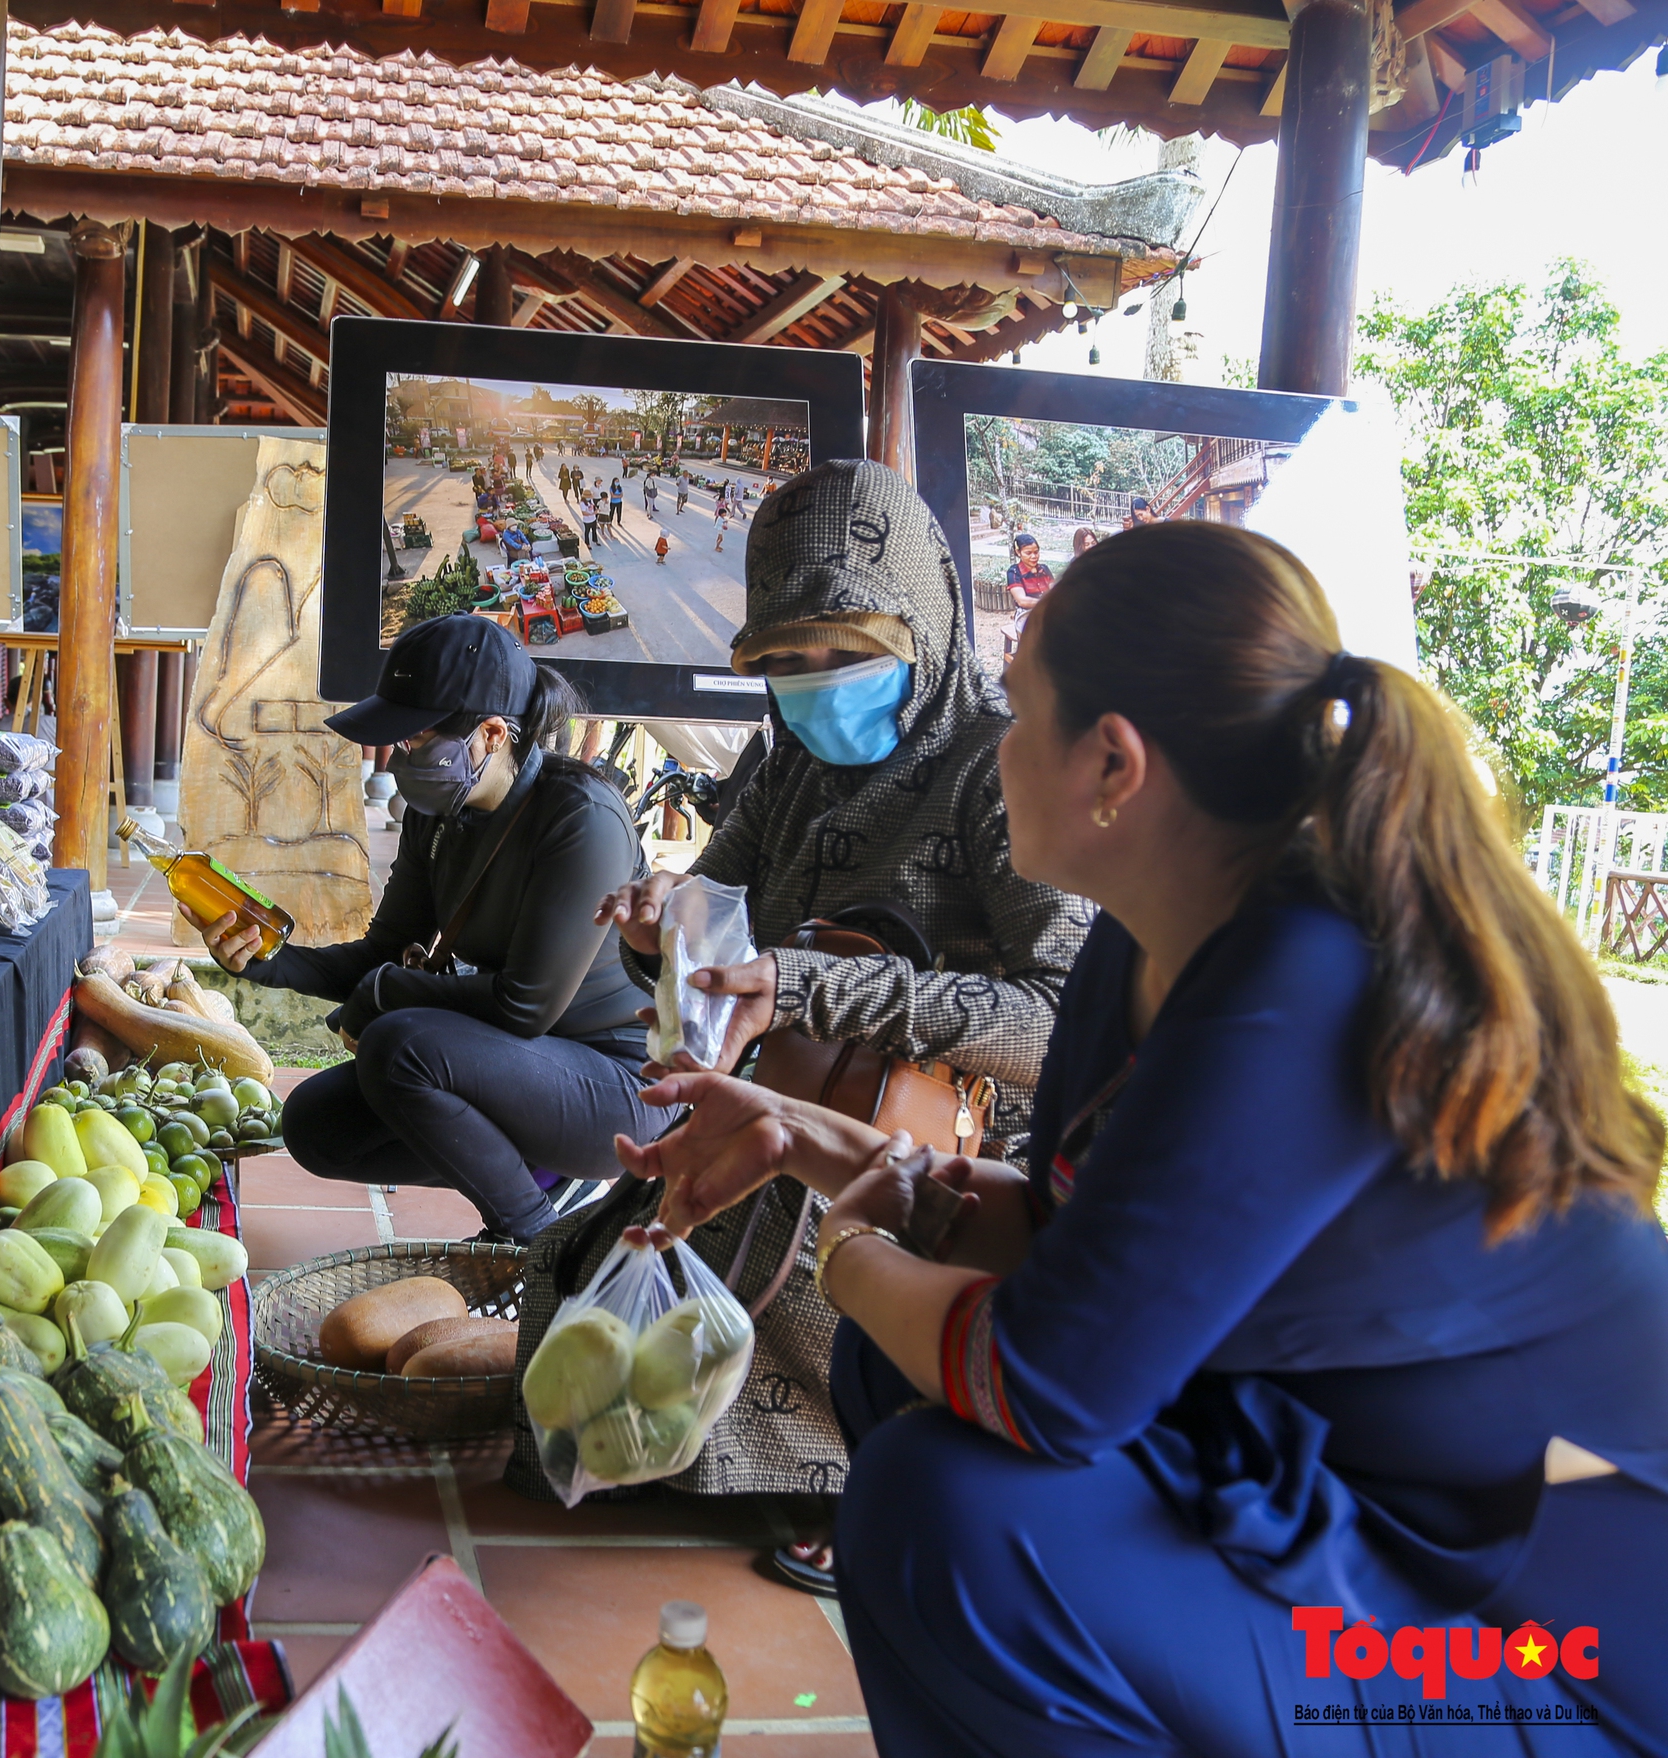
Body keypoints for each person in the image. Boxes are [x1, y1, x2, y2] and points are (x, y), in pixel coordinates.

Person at [621, 522, 1668, 1749]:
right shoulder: (1147, 941)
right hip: (1337, 1489)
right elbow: (1074, 1246)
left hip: (1534, 1620)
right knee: (892, 1389)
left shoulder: (1304, 978)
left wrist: (844, 1261)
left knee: (945, 1512)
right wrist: (804, 1140)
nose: (996, 751)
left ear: (1112, 765)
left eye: (1015, 717)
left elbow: (1048, 1383)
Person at [534, 459, 1086, 1588]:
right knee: (598, 1278)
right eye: (783, 662)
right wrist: (664, 927)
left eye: (844, 654)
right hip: (785, 1087)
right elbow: (718, 914)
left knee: (779, 1267)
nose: (812, 684)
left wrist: (812, 986)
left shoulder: (999, 765)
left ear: (924, 625)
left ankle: (857, 1473)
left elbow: (1055, 1017)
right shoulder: (787, 759)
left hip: (954, 1143)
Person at [186, 616, 657, 1244]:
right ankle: (536, 1174)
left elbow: (526, 1006)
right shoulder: (438, 818)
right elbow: (382, 954)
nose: (402, 754)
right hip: (513, 1067)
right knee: (316, 1126)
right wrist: (267, 957)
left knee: (402, 1044)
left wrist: (383, 996)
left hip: (619, 1088)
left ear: (492, 733)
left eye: (417, 737)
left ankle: (537, 1241)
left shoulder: (582, 818)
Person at [1001, 531, 1053, 659]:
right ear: (1018, 553)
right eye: (1028, 553)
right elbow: (1022, 601)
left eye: (1036, 552)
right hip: (1026, 614)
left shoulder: (1044, 569)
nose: (1034, 556)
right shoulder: (1014, 572)